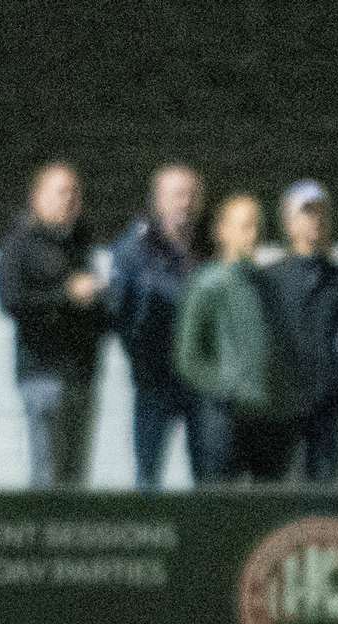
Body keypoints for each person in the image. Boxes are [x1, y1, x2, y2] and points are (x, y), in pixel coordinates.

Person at [0, 161, 112, 488]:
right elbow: (12, 300)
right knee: (48, 475)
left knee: (77, 476)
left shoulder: (80, 243)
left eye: (75, 192)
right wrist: (67, 294)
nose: (70, 200)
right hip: (43, 373)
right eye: (61, 191)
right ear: (38, 197)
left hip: (82, 374)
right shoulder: (21, 242)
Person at [175, 194, 299, 481]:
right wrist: (224, 385)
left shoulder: (266, 284)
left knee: (266, 509)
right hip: (223, 415)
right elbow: (188, 355)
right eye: (244, 225)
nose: (252, 234)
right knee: (219, 505)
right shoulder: (208, 283)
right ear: (222, 231)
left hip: (267, 414)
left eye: (257, 226)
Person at [265, 180, 338, 484]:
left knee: (324, 478)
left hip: (327, 396)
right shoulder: (271, 278)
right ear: (288, 222)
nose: (314, 221)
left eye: (320, 214)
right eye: (306, 213)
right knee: (277, 479)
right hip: (280, 399)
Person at [112, 163, 209, 489]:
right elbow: (121, 313)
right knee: (148, 480)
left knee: (207, 479)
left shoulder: (210, 246)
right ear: (157, 200)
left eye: (191, 195)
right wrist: (142, 361)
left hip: (201, 382)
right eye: (177, 195)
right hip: (154, 382)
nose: (185, 202)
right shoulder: (134, 248)